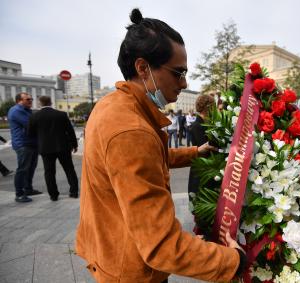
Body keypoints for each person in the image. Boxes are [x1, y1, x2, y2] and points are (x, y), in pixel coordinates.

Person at [75, 8, 245, 283]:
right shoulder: (131, 130)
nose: (184, 82)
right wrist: (233, 260)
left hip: (109, 250)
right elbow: (162, 246)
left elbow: (145, 159)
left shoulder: (111, 105)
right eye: (178, 73)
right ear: (143, 68)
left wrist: (194, 152)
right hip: (131, 269)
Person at [27, 96, 79, 201]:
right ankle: (74, 192)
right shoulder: (61, 114)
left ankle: (53, 195)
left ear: (40, 103)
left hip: (45, 148)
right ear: (51, 102)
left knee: (49, 172)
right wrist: (74, 144)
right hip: (63, 147)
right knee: (69, 169)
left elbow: (30, 134)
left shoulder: (34, 116)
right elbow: (70, 131)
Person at [7, 92, 42, 203]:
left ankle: (28, 189)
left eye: (31, 99)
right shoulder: (17, 111)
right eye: (28, 99)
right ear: (19, 101)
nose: (31, 101)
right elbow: (31, 125)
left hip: (31, 143)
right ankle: (19, 193)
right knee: (22, 169)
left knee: (31, 168)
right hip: (23, 144)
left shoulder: (27, 110)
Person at [188, 94, 215, 200]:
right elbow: (204, 148)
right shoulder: (197, 126)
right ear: (208, 108)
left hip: (205, 168)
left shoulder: (204, 123)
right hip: (201, 169)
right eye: (213, 107)